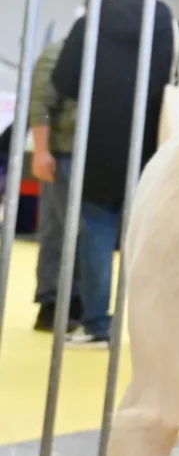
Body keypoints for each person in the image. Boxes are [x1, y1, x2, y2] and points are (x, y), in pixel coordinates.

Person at [52, 0, 179, 347]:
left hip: (98, 144)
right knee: (154, 236)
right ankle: (156, 327)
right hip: (156, 147)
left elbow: (63, 81)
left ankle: (98, 324)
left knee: (96, 231)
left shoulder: (90, 23)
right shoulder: (174, 29)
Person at [28, 38, 83, 332]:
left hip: (88, 155)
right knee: (58, 230)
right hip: (63, 153)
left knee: (80, 233)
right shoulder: (59, 51)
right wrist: (41, 151)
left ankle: (73, 302)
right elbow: (40, 104)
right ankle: (51, 303)